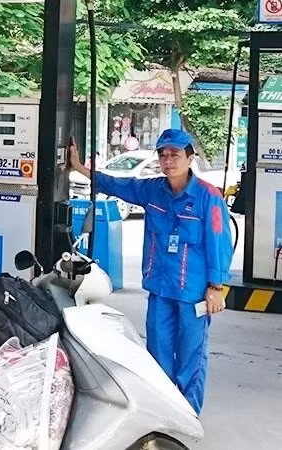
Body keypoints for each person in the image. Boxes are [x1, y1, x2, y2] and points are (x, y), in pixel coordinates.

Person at [68, 129, 233, 414]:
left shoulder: (208, 197)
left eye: (175, 155)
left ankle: (188, 414)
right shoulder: (152, 190)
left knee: (190, 358)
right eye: (163, 155)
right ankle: (164, 412)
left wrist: (216, 288)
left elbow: (219, 243)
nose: (168, 161)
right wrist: (82, 169)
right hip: (159, 289)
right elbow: (116, 184)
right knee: (157, 355)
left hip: (192, 294)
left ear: (190, 158)